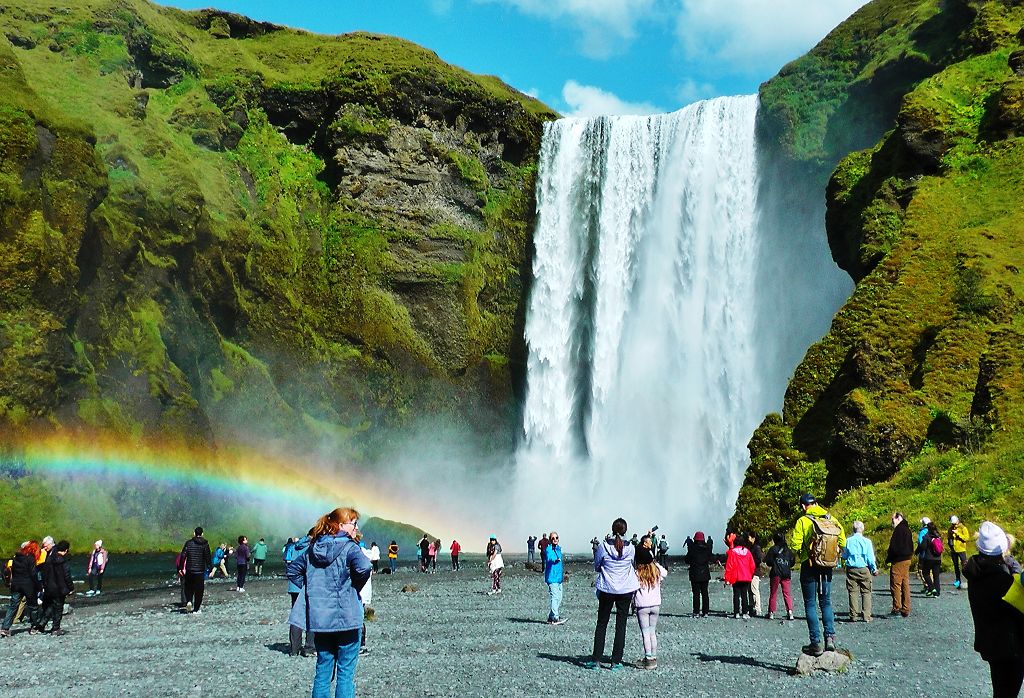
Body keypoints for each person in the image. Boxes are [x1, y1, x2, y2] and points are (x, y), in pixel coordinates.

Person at [287, 507, 371, 698]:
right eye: (354, 523)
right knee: (345, 674)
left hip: (321, 620)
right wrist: (354, 586)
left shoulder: (311, 549)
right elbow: (365, 567)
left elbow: (292, 571)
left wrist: (312, 590)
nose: (356, 527)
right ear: (341, 525)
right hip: (348, 618)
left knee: (323, 672)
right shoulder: (350, 547)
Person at [964, 521, 1024, 697]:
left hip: (990, 644)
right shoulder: (1003, 581)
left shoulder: (975, 571)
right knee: (1008, 691)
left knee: (1000, 690)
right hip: (1011, 647)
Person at [789, 493, 845, 656]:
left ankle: (816, 643)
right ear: (816, 503)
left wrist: (802, 552)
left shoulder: (803, 521)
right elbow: (842, 541)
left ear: (803, 506)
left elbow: (795, 544)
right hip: (827, 566)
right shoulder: (831, 518)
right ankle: (830, 639)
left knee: (810, 604)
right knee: (826, 602)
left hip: (809, 564)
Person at [585, 518, 639, 671]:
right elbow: (632, 564)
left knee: (602, 623)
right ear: (625, 531)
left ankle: (596, 660)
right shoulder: (631, 548)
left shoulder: (603, 546)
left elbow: (597, 565)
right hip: (625, 590)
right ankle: (616, 661)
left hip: (607, 588)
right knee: (621, 625)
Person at [634, 547, 667, 669]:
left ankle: (648, 659)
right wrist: (654, 562)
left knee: (645, 632)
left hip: (642, 605)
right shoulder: (656, 571)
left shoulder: (637, 573)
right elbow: (665, 572)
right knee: (652, 631)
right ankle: (653, 657)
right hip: (655, 605)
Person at [284, 534, 315, 657]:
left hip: (293, 586)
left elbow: (290, 566)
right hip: (305, 587)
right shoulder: (311, 548)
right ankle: (310, 647)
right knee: (311, 615)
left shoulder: (293, 546)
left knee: (296, 616)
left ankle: (294, 649)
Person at [1, 541, 40, 637]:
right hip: (28, 585)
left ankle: (5, 628)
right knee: (33, 607)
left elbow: (12, 571)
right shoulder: (30, 558)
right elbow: (33, 574)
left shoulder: (16, 558)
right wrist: (39, 586)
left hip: (16, 584)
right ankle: (34, 627)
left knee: (13, 606)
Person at [35, 540, 73, 635]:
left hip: (49, 587)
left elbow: (44, 574)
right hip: (60, 588)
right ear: (66, 550)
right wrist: (71, 588)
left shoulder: (49, 559)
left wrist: (44, 585)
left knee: (50, 606)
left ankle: (41, 624)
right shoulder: (63, 561)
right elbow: (67, 576)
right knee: (58, 607)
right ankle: (56, 628)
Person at [843, 520, 878, 621]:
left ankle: (853, 615)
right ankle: (866, 615)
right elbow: (870, 558)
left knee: (852, 592)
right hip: (864, 568)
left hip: (851, 569)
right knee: (866, 591)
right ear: (862, 529)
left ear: (853, 529)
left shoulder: (848, 541)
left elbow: (844, 556)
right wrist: (874, 569)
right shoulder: (867, 542)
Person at [179, 526, 212, 614]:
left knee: (188, 587)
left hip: (190, 569)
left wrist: (181, 567)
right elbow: (208, 557)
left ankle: (189, 601)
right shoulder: (205, 544)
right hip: (200, 570)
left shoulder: (189, 543)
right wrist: (210, 568)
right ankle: (196, 609)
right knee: (199, 590)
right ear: (202, 534)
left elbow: (183, 556)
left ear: (194, 533)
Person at [765, 532, 795, 620]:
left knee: (773, 593)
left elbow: (769, 562)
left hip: (776, 573)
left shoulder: (773, 549)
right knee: (787, 593)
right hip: (786, 573)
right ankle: (790, 612)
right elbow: (792, 562)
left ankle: (771, 612)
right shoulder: (788, 550)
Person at [725, 533, 756, 619]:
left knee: (736, 595)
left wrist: (727, 578)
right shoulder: (747, 552)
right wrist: (751, 574)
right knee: (744, 595)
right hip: (746, 577)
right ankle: (745, 613)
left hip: (736, 577)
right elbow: (752, 565)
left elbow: (729, 566)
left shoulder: (733, 552)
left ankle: (737, 613)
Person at [684, 532, 713, 617]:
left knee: (696, 594)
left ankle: (696, 612)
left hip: (695, 574)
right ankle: (705, 612)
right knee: (705, 593)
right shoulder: (707, 548)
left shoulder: (692, 549)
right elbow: (710, 557)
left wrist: (689, 547)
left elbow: (687, 560)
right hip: (705, 574)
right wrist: (710, 543)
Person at [543, 531, 566, 625]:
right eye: (552, 538)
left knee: (559, 597)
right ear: (550, 540)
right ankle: (556, 618)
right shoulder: (549, 549)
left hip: (559, 578)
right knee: (555, 597)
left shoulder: (559, 549)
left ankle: (551, 617)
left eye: (556, 538)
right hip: (552, 577)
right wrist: (554, 560)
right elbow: (549, 558)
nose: (555, 540)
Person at [917, 520, 943, 597]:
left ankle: (932, 588)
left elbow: (923, 547)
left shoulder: (927, 536)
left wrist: (918, 551)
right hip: (938, 558)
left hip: (929, 558)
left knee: (925, 573)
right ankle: (937, 592)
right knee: (936, 576)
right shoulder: (938, 536)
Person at [949, 516, 970, 589]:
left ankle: (968, 579)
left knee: (964, 564)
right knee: (956, 565)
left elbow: (966, 538)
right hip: (953, 549)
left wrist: (958, 533)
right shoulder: (951, 528)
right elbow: (949, 537)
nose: (954, 525)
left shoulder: (963, 528)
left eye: (954, 524)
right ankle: (958, 579)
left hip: (961, 549)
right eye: (952, 524)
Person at [746, 532, 764, 617]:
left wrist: (750, 564)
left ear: (753, 538)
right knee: (750, 590)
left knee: (754, 590)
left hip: (755, 572)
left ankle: (757, 608)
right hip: (750, 571)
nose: (748, 539)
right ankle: (752, 607)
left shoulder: (756, 548)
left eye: (749, 537)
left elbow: (759, 559)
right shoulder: (752, 547)